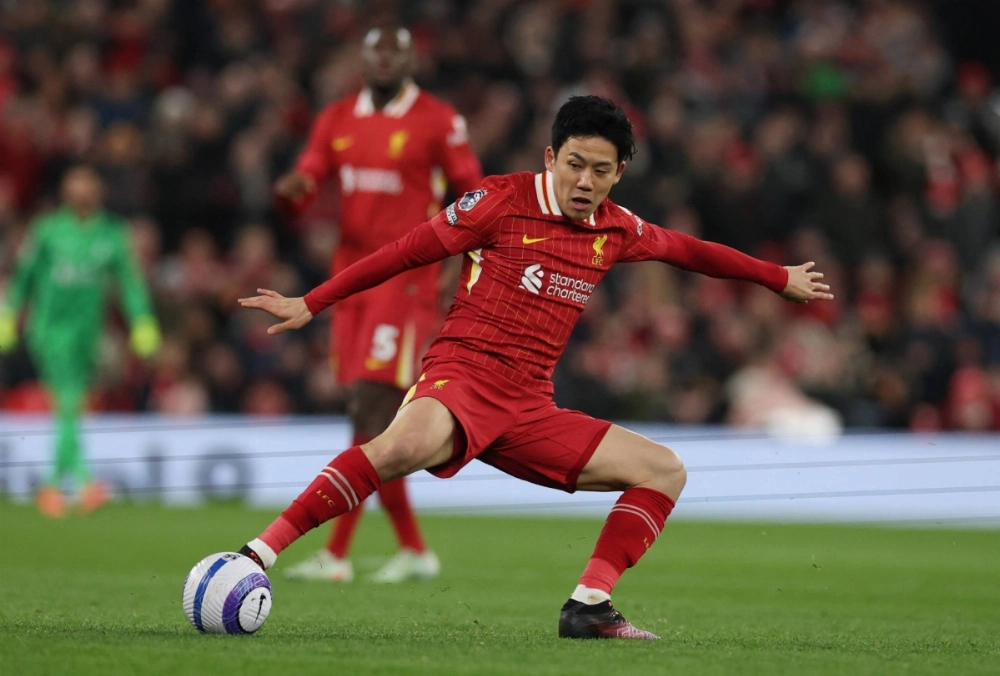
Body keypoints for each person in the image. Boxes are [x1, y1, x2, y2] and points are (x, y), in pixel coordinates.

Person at [236, 96, 833, 638]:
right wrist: (311, 303)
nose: (584, 181)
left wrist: (776, 277)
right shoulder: (499, 201)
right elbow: (406, 251)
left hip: (528, 408)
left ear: (619, 174)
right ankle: (256, 554)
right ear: (551, 157)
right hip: (462, 377)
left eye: (601, 170)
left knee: (664, 471)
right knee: (394, 449)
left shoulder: (616, 229)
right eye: (574, 163)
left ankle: (590, 606)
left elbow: (687, 250)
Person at [274, 25, 482, 583]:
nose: (386, 61)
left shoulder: (440, 121)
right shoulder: (337, 117)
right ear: (362, 61)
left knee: (370, 408)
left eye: (397, 53)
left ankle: (336, 554)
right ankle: (414, 549)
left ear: (413, 59)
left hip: (407, 281)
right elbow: (314, 167)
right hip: (350, 279)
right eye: (376, 53)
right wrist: (298, 185)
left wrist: (459, 261)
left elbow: (473, 192)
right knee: (372, 417)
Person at [0, 166, 160, 518]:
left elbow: (129, 283)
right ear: (65, 191)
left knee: (70, 406)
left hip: (89, 334)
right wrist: (9, 314)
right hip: (49, 330)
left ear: (98, 190)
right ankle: (76, 484)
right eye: (74, 183)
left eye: (87, 184)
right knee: (70, 400)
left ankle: (60, 485)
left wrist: (142, 321)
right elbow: (24, 276)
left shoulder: (113, 234)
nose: (80, 190)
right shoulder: (47, 230)